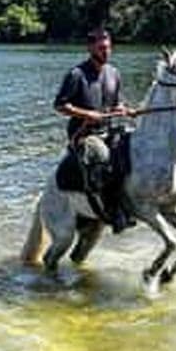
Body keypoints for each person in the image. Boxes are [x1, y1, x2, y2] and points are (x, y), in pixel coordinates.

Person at [54, 27, 136, 232]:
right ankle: (112, 212)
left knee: (136, 147)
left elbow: (116, 102)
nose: (105, 52)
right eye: (101, 48)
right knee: (101, 155)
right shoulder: (76, 74)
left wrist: (123, 109)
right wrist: (87, 114)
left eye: (108, 48)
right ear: (90, 48)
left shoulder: (114, 73)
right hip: (84, 135)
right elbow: (60, 105)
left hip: (110, 130)